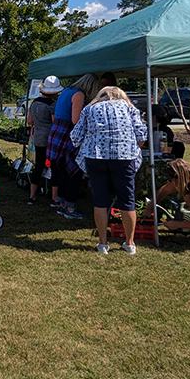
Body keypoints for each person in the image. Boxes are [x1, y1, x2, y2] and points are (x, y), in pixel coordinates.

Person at [70, 86, 147, 255]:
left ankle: (103, 243)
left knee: (100, 200)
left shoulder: (89, 109)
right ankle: (130, 243)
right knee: (127, 200)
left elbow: (75, 137)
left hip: (96, 156)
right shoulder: (130, 108)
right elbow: (142, 135)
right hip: (125, 157)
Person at [46, 73, 100, 218]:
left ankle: (62, 203)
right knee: (73, 172)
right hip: (67, 135)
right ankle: (70, 207)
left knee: (62, 171)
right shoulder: (78, 95)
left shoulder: (66, 91)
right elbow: (75, 120)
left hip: (57, 132)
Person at [27, 76, 61, 206]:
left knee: (38, 166)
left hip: (38, 138)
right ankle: (54, 197)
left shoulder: (34, 103)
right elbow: (54, 122)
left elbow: (30, 121)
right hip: (50, 139)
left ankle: (32, 196)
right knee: (54, 167)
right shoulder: (52, 105)